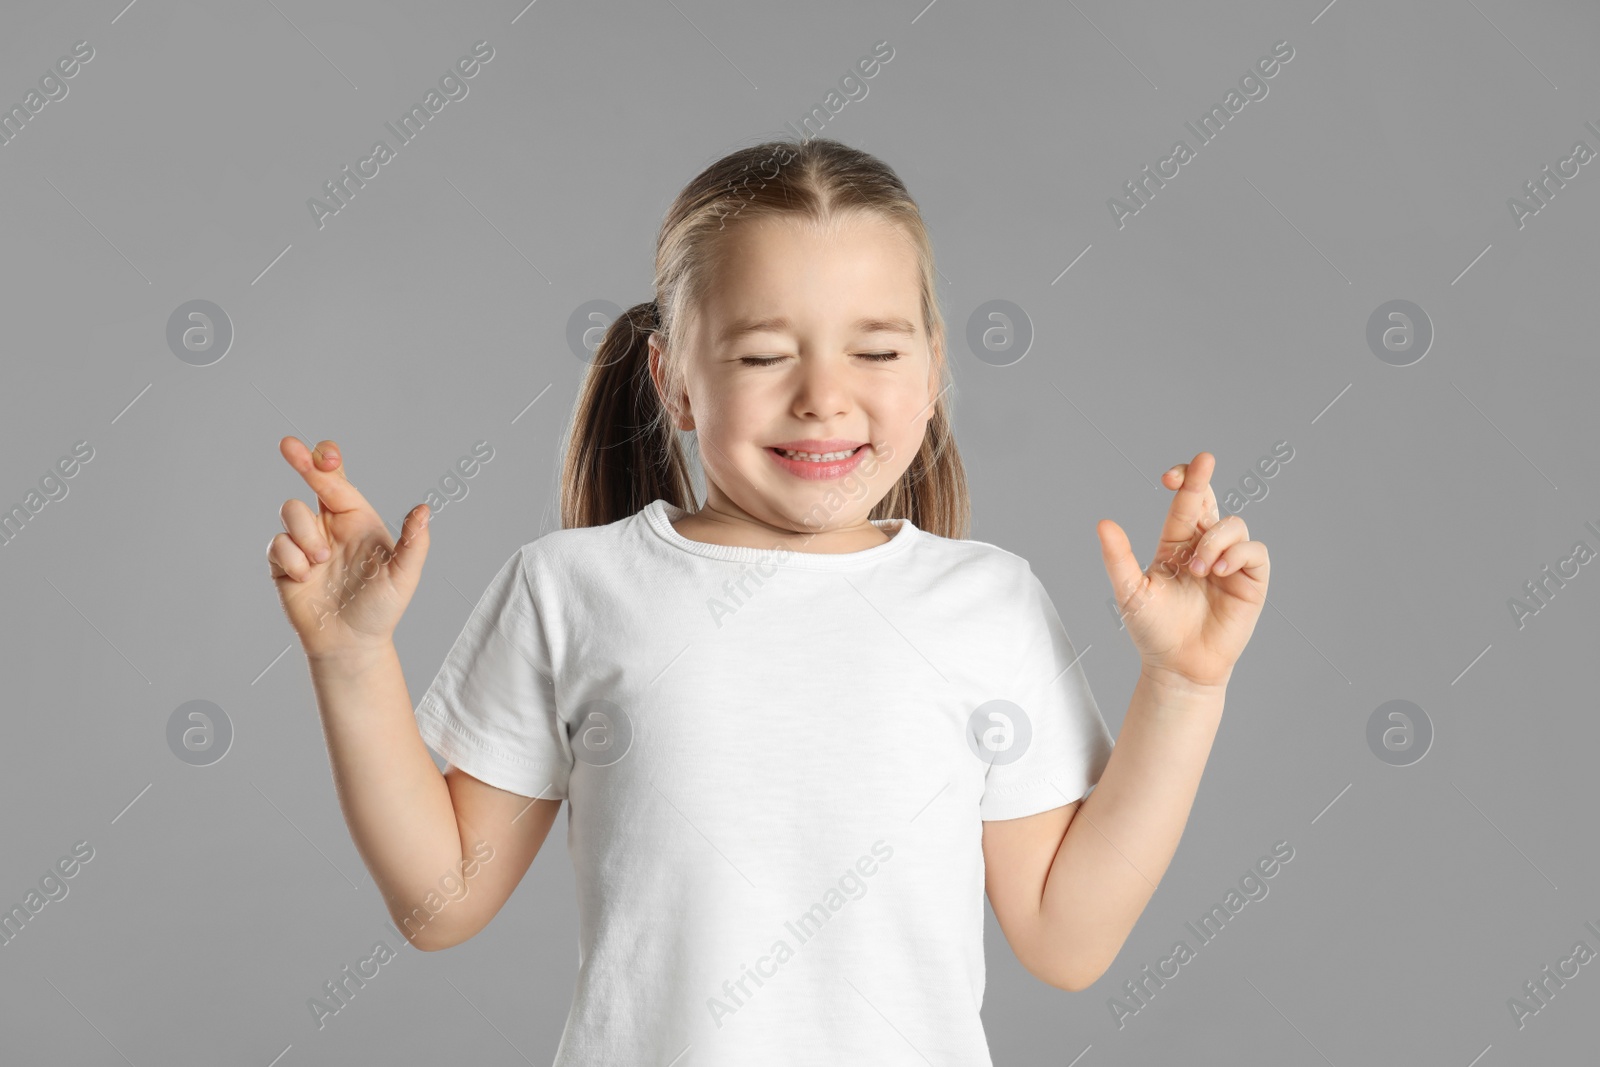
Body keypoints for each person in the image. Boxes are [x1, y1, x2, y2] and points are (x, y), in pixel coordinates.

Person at [266, 136, 1270, 1065]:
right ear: (676, 381)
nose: (823, 395)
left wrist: (1183, 683)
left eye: (875, 351)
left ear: (930, 374)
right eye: (760, 355)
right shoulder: (569, 586)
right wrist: (351, 660)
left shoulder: (988, 602)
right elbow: (440, 902)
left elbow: (1067, 937)